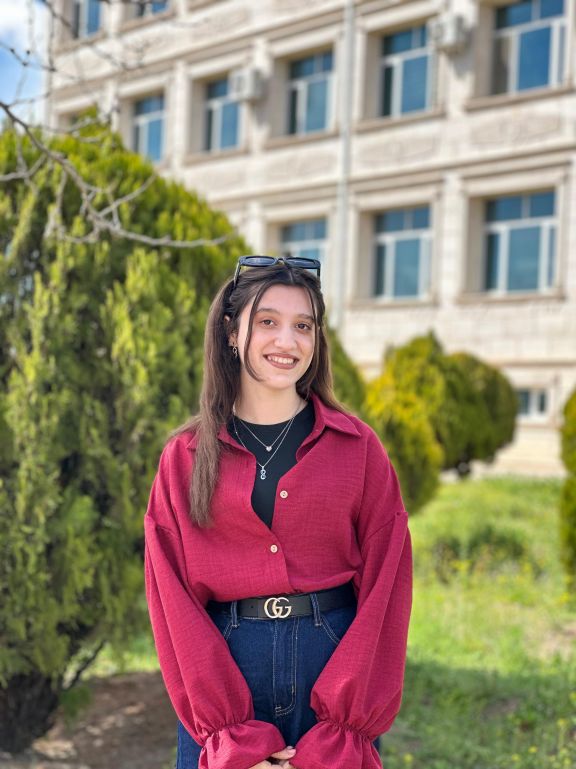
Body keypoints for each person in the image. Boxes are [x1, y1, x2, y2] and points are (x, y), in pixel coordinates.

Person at [144, 255, 413, 769]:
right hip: (224, 671)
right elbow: (170, 597)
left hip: (333, 664)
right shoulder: (185, 457)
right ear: (231, 332)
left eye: (303, 326)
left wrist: (341, 730)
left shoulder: (358, 449)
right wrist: (229, 737)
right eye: (268, 321)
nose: (287, 342)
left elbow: (388, 585)